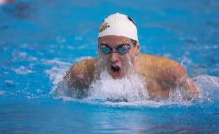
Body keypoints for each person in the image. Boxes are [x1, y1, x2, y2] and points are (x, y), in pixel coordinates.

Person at [64, 13, 200, 100]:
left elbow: (198, 108)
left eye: (122, 48)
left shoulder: (169, 74)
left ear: (137, 49)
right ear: (97, 48)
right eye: (105, 48)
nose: (113, 58)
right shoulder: (81, 74)